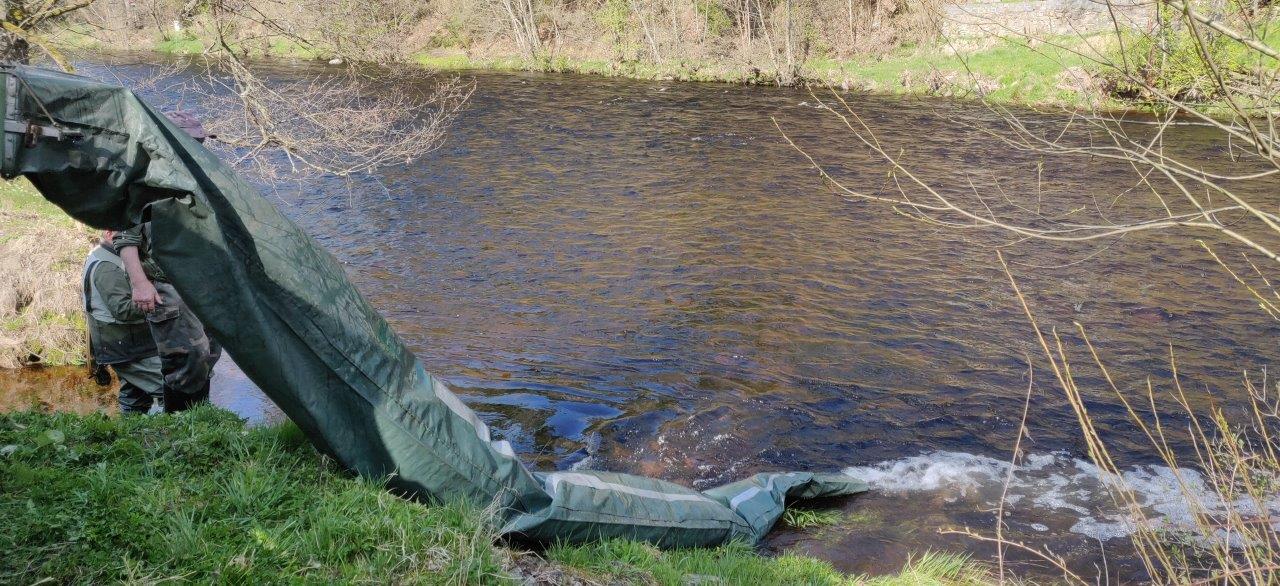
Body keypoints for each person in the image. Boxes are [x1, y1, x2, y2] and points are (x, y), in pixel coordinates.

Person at [113, 111, 222, 413]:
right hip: (166, 283)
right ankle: (181, 423)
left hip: (205, 284)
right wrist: (140, 284)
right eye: (194, 140)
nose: (199, 146)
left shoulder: (202, 176)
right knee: (186, 356)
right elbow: (125, 236)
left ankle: (200, 419)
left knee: (210, 352)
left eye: (201, 141)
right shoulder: (146, 178)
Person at [83, 230, 165, 414]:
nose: (137, 238)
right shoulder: (107, 267)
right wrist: (161, 299)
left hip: (123, 343)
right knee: (170, 386)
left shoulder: (105, 255)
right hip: (125, 345)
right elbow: (123, 310)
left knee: (134, 394)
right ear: (109, 234)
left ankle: (131, 427)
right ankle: (186, 426)